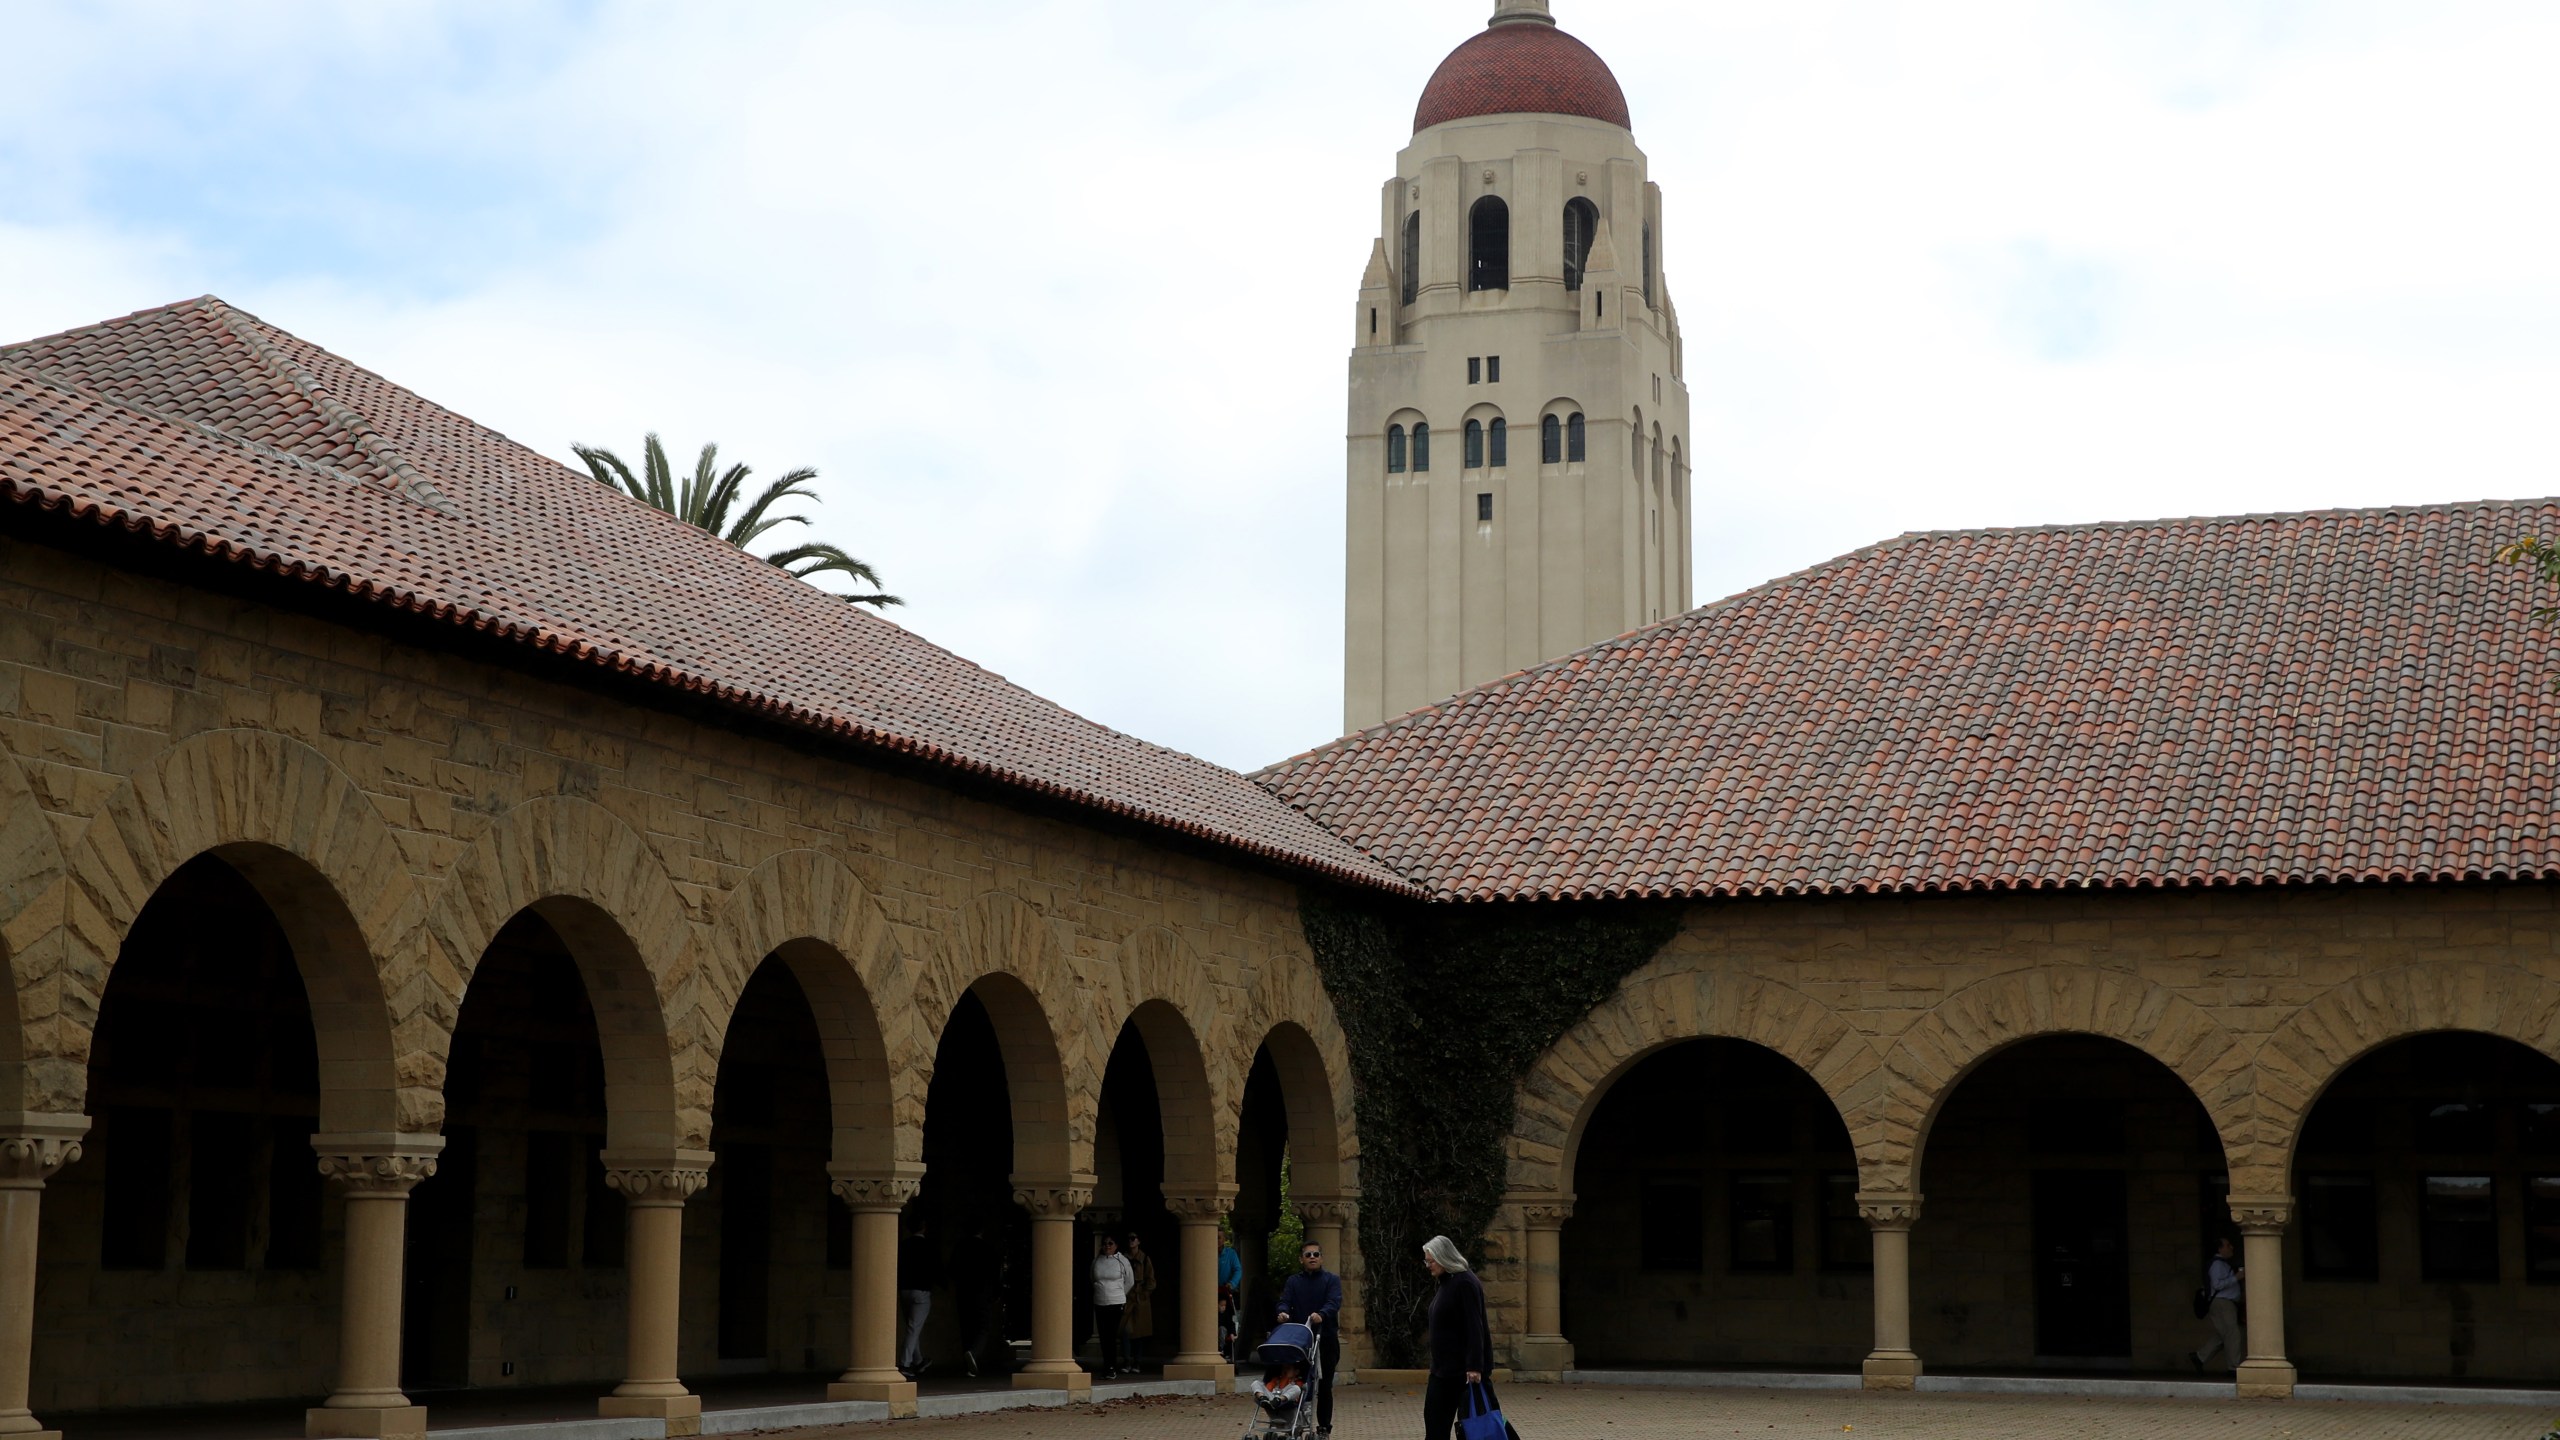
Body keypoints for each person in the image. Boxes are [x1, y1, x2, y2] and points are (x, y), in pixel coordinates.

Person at [1421, 1235, 1494, 1440]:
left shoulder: (1464, 1283)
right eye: (1426, 1261)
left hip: (1461, 1373)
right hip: (1442, 1370)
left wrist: (1474, 1366)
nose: (1428, 1266)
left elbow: (1474, 1327)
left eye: (1431, 1261)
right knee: (1434, 1425)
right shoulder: (1447, 1282)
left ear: (1444, 1257)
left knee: (1471, 1429)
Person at [1274, 1238, 1344, 1436]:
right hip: (1301, 1341)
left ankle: (1323, 1427)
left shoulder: (1331, 1280)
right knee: (1298, 1382)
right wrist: (1283, 1312)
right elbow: (1284, 1301)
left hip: (1325, 1339)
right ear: (1301, 1259)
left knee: (1324, 1385)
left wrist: (1321, 1314)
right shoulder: (1294, 1282)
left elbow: (1334, 1301)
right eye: (1308, 1255)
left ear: (1321, 1258)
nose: (1312, 1258)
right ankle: (1295, 1421)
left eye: (1316, 1254)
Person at [2191, 1235, 2245, 1374]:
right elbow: (2217, 1285)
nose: (2231, 1247)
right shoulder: (2217, 1264)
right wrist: (2236, 1277)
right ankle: (2233, 1367)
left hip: (2224, 1302)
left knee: (2224, 1334)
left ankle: (2200, 1357)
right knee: (2233, 1334)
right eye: (2227, 1245)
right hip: (2222, 1302)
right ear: (2220, 1249)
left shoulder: (2221, 1264)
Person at [896, 1214, 938, 1380]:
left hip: (905, 1290)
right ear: (923, 1227)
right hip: (921, 1291)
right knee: (913, 1328)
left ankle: (919, 1361)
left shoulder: (903, 1245)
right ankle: (905, 1364)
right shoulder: (928, 1246)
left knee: (912, 1327)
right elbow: (935, 1268)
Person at [1091, 1232, 1136, 1378]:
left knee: (1111, 1335)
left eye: (1110, 1243)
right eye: (1105, 1243)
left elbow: (1129, 1281)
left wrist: (1118, 1294)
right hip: (1100, 1302)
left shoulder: (1122, 1260)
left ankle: (1111, 1366)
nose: (1107, 1246)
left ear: (1116, 1245)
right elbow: (1092, 1277)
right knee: (1104, 1336)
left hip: (1116, 1302)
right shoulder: (1097, 1260)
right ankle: (1107, 1364)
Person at [1124, 1232, 1158, 1364]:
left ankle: (1137, 1361)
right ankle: (1127, 1360)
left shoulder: (1144, 1258)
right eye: (1129, 1239)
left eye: (1133, 1239)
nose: (1131, 1241)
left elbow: (1151, 1280)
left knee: (1139, 1332)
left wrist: (1144, 1295)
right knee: (1125, 1330)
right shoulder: (1123, 1258)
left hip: (1140, 1298)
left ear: (1138, 1241)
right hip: (1127, 1298)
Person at [1217, 1224, 1246, 1360]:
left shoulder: (1230, 1254)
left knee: (1228, 1317)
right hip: (1209, 1291)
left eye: (1219, 1238)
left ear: (1224, 1239)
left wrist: (1232, 1283)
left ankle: (1228, 1349)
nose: (1216, 1240)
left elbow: (1238, 1270)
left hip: (1225, 1290)